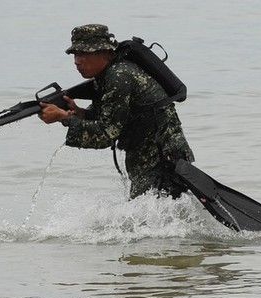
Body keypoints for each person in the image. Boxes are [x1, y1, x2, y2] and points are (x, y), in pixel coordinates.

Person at [39, 24, 195, 199]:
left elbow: (106, 135)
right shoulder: (108, 74)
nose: (77, 61)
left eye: (84, 53)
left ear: (104, 52)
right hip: (151, 158)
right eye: (75, 54)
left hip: (163, 160)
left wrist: (63, 117)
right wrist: (80, 113)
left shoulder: (119, 76)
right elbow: (110, 116)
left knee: (156, 220)